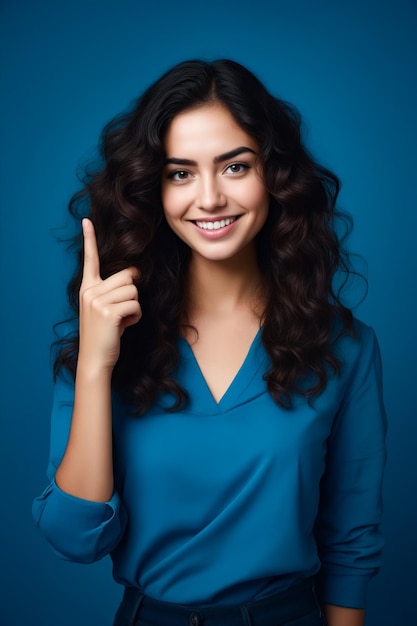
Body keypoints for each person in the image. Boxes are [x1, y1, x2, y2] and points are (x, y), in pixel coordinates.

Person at [33, 59, 387, 626]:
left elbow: (350, 539)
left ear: (274, 174)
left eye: (235, 166)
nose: (210, 198)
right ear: (155, 189)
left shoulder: (345, 346)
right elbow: (76, 539)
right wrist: (97, 368)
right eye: (180, 173)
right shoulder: (109, 335)